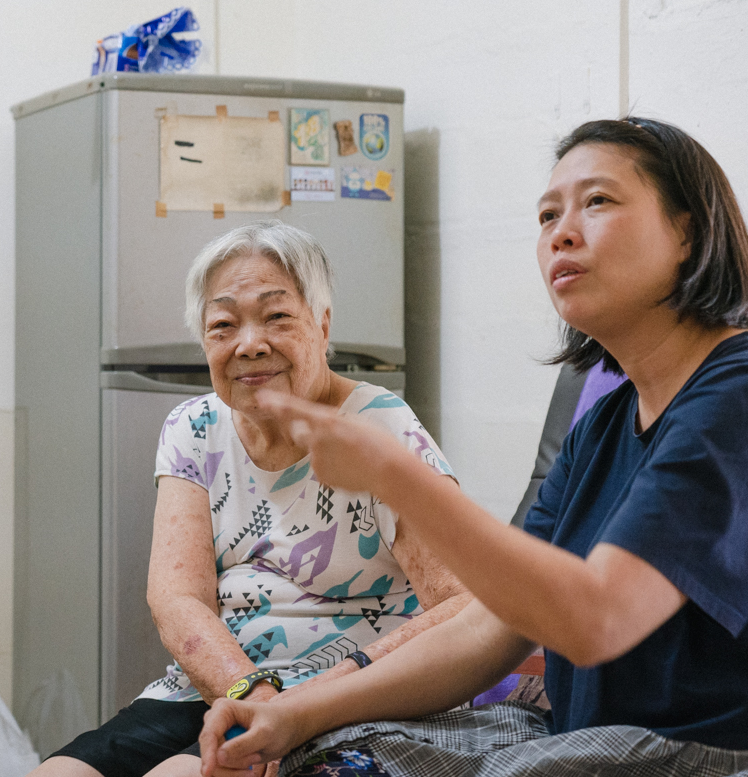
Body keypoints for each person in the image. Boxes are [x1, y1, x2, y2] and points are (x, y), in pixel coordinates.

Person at [199, 118, 748, 777]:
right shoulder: (607, 421)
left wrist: (394, 476)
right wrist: (296, 712)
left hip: (741, 756)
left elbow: (594, 619)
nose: (562, 233)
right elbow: (493, 624)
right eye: (547, 215)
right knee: (322, 751)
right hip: (603, 741)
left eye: (597, 201)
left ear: (686, 232)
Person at [31, 221, 472, 777]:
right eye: (223, 324)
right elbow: (177, 599)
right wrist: (254, 695)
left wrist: (300, 706)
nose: (250, 343)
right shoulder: (193, 427)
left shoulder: (380, 431)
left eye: (277, 316)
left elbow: (460, 603)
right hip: (218, 682)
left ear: (323, 325)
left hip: (346, 698)